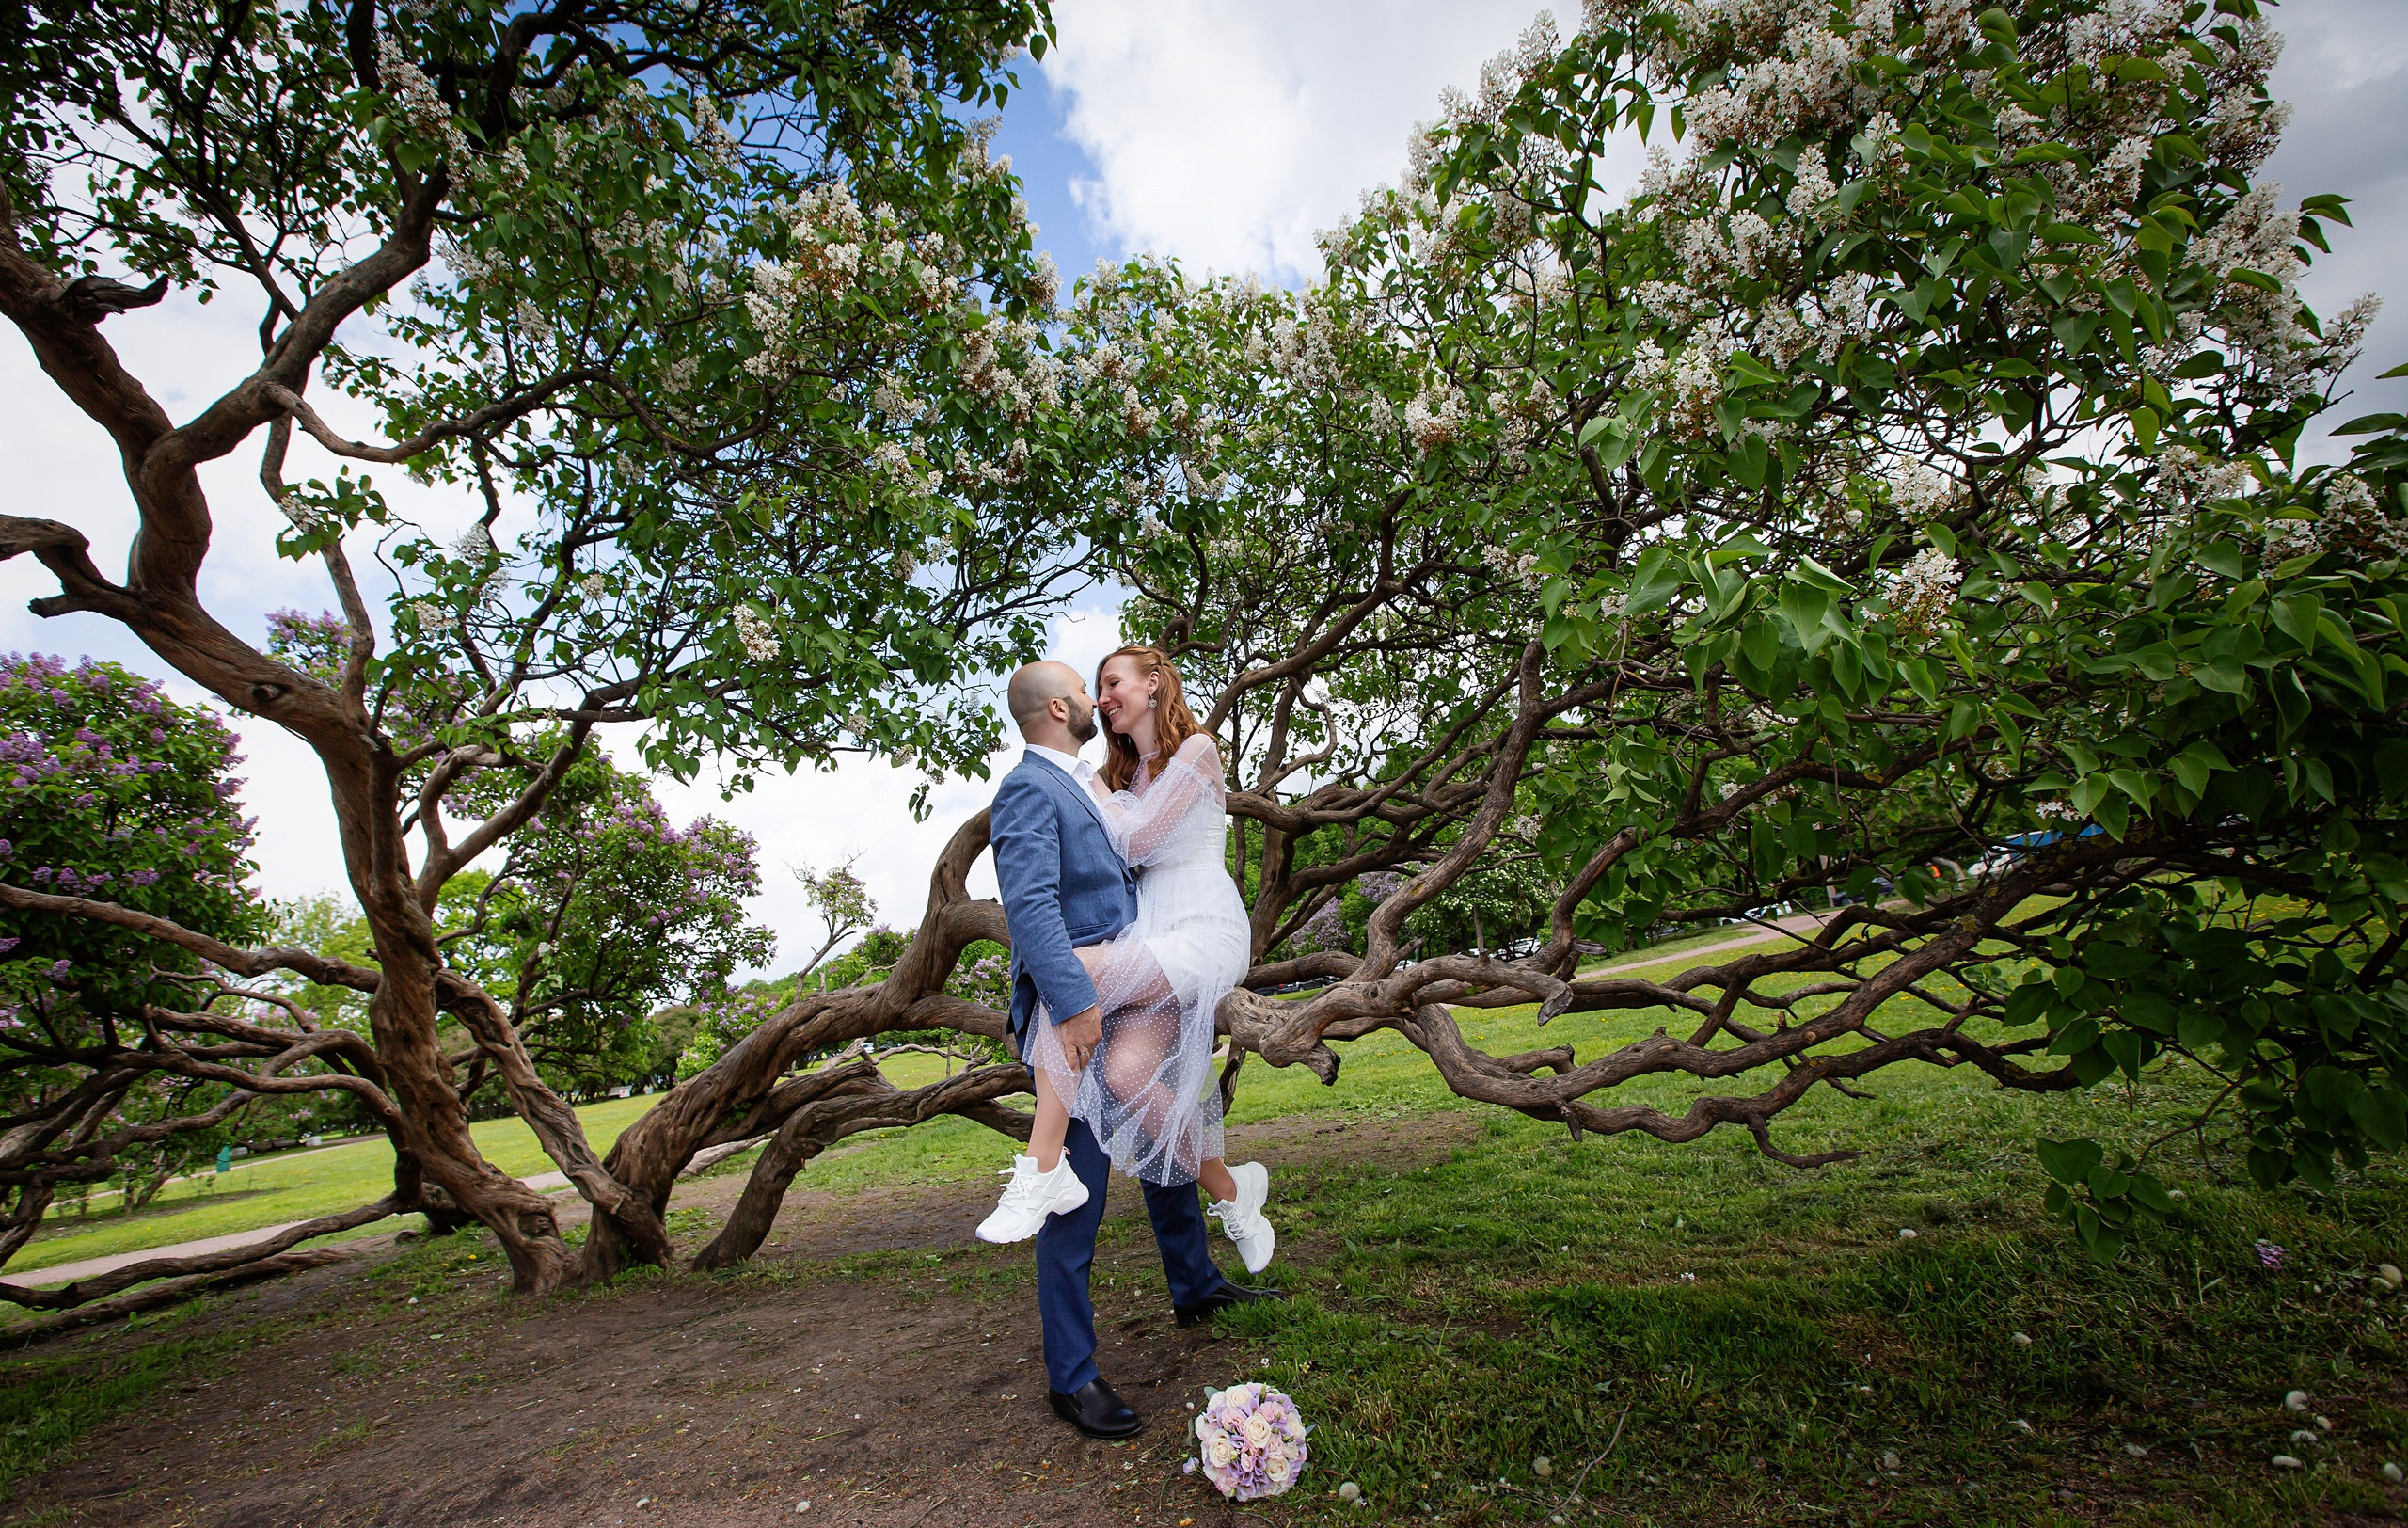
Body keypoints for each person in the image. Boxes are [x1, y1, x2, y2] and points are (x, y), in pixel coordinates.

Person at [981, 656, 1283, 1440]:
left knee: (1156, 1118)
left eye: (1107, 684)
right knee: (1073, 1200)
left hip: (1142, 966)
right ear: (1059, 706)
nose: (1096, 698)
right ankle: (1072, 1378)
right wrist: (1074, 1003)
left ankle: (1195, 1284)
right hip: (1081, 1001)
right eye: (1087, 689)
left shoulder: (1106, 777)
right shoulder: (1034, 786)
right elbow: (1032, 907)